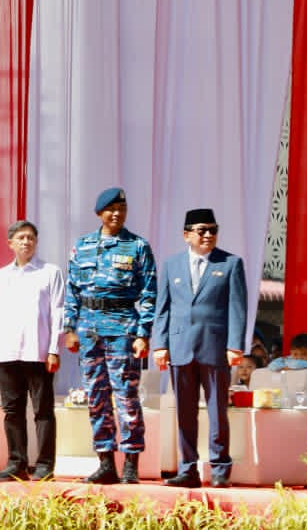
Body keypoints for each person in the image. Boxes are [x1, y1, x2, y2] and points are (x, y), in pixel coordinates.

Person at [63, 188, 156, 485]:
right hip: (89, 330)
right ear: (99, 213)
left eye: (121, 209)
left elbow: (149, 293)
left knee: (126, 396)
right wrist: (69, 328)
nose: (116, 214)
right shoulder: (83, 246)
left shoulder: (137, 246)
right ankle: (105, 462)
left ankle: (130, 463)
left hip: (122, 328)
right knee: (96, 397)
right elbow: (72, 290)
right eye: (111, 209)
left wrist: (143, 333)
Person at [152, 208, 246, 489]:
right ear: (186, 235)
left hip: (215, 347)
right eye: (202, 230)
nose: (208, 235)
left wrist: (235, 345)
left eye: (213, 230)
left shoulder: (230, 263)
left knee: (217, 409)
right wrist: (160, 344)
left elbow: (237, 307)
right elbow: (163, 308)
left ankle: (219, 468)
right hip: (180, 347)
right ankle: (188, 469)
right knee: (184, 411)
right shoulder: (172, 265)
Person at [0, 220, 64, 482]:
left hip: (38, 352)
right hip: (7, 353)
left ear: (36, 242)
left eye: (31, 237)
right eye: (21, 238)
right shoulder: (1, 276)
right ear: (10, 243)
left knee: (43, 411)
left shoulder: (50, 272)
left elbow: (58, 312)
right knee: (12, 411)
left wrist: (54, 349)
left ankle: (44, 465)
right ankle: (16, 462)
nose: (26, 242)